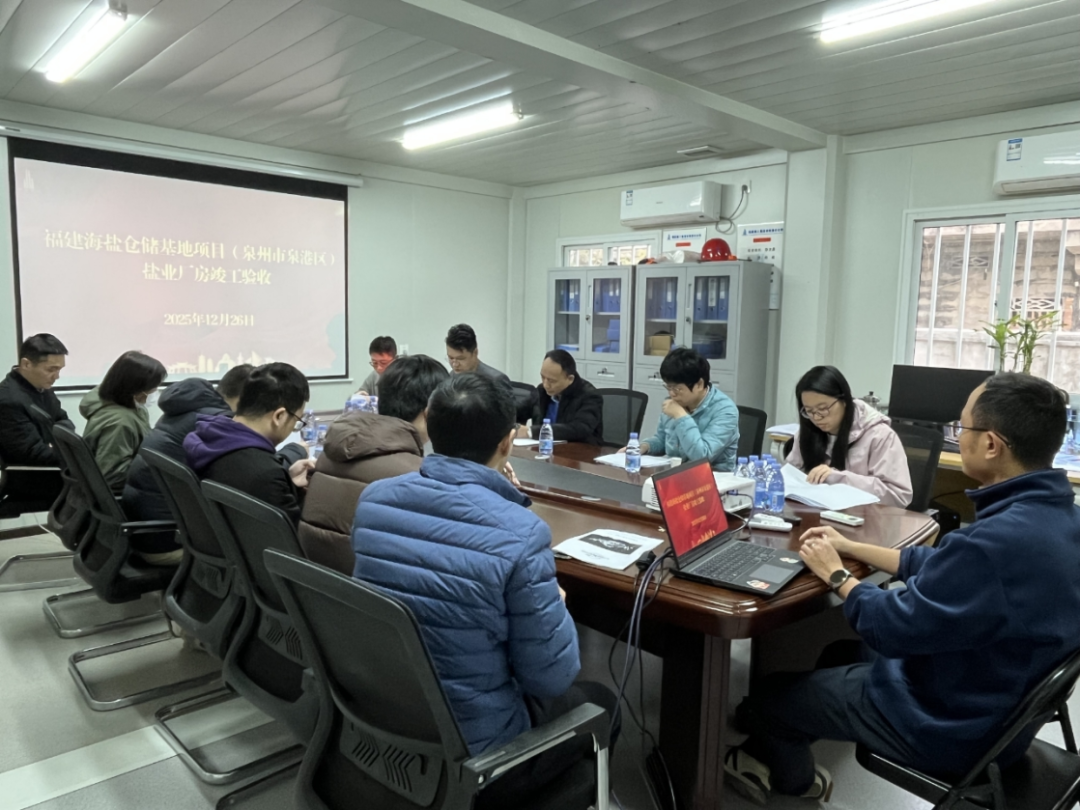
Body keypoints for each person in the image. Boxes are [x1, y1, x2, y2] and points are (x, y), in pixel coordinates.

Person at [725, 372, 1080, 806]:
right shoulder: (1057, 519)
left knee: (768, 700)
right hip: (995, 703)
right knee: (838, 653)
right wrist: (851, 547)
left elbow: (891, 628)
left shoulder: (995, 543)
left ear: (991, 444)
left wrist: (838, 576)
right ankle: (796, 729)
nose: (957, 435)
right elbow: (945, 567)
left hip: (945, 722)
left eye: (962, 427)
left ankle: (796, 784)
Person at [351, 373, 616, 804]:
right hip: (479, 754)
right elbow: (551, 677)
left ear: (428, 424)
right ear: (507, 442)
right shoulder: (522, 533)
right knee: (601, 701)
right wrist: (557, 610)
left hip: (387, 711)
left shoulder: (375, 500)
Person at [299, 355, 448, 574]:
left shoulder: (329, 453)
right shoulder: (417, 477)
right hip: (370, 588)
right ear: (429, 413)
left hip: (319, 582)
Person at [184, 363, 315, 525]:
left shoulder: (204, 439)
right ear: (279, 416)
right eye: (296, 420)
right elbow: (293, 533)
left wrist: (287, 482)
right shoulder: (264, 473)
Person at [122, 366, 254, 524]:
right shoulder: (217, 421)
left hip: (144, 510)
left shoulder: (188, 408)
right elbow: (244, 476)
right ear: (246, 399)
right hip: (167, 523)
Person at [786, 365, 912, 508]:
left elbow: (897, 496)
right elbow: (792, 477)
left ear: (844, 401)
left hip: (865, 517)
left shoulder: (880, 436)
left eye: (823, 409)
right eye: (809, 411)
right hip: (816, 514)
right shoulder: (807, 433)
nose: (816, 417)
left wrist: (839, 478)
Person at [636, 347, 739, 471]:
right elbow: (662, 439)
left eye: (677, 389)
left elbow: (701, 457)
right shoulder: (676, 402)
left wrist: (681, 416)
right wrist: (645, 447)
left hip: (713, 477)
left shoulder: (725, 411)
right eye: (668, 387)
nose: (672, 394)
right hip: (675, 473)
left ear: (699, 384)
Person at [0, 333, 72, 509]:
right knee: (99, 490)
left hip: (52, 467)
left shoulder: (40, 387)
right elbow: (32, 453)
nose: (56, 376)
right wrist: (75, 455)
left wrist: (59, 446)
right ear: (26, 364)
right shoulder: (8, 400)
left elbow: (63, 420)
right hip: (32, 478)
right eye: (51, 369)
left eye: (59, 370)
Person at [80, 351, 167, 494]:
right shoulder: (119, 423)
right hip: (126, 496)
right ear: (135, 388)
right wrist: (156, 472)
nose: (155, 392)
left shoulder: (122, 406)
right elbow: (111, 476)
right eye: (153, 388)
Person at [516, 349, 603, 445]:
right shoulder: (542, 391)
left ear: (570, 379)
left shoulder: (589, 396)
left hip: (577, 450)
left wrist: (530, 432)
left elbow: (580, 429)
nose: (545, 385)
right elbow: (517, 411)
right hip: (543, 448)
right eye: (543, 377)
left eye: (551, 381)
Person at [445, 323, 512, 389]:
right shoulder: (451, 377)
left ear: (475, 353)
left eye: (461, 358)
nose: (455, 364)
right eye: (451, 358)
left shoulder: (496, 380)